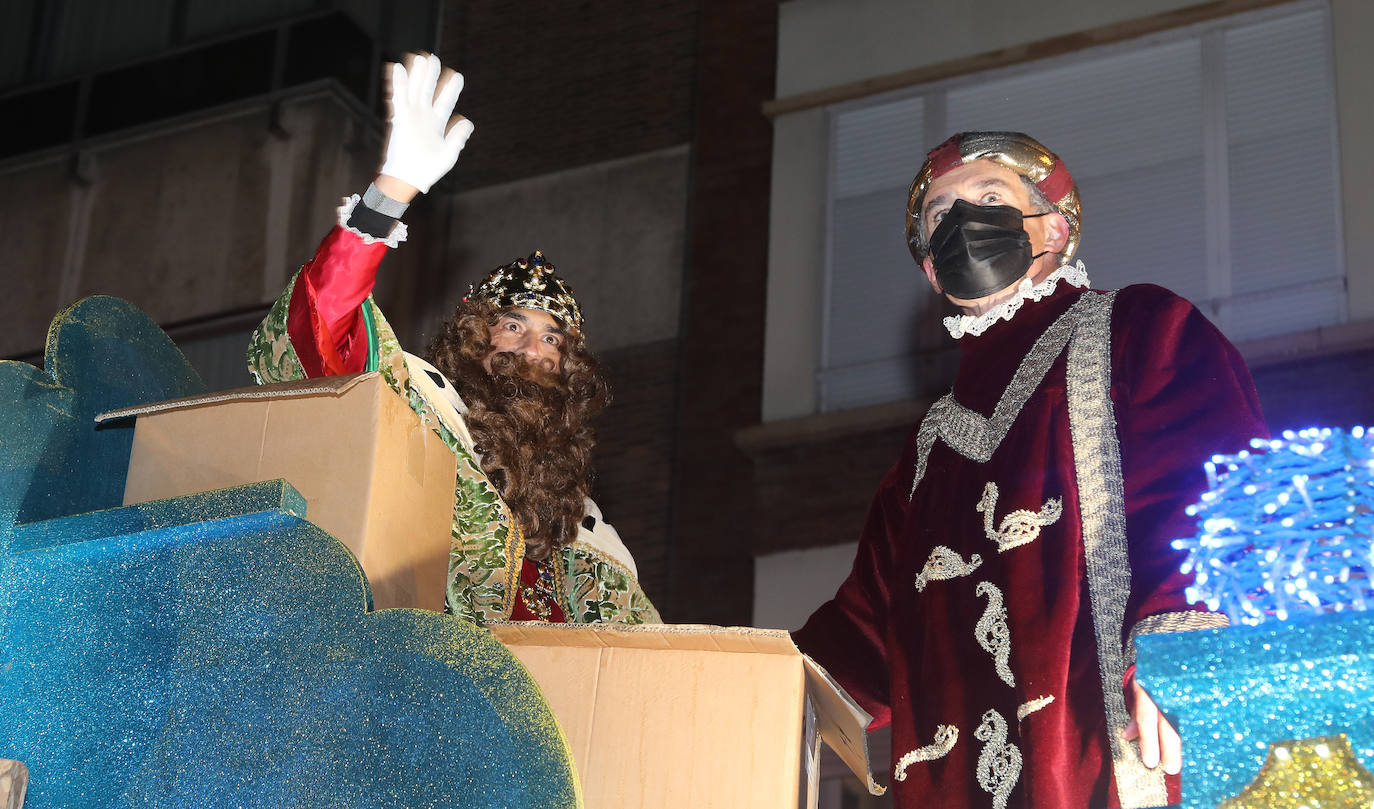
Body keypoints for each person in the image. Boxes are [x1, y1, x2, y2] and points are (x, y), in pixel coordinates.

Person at [792, 132, 1266, 808]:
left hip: (1116, 756)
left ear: (1053, 227)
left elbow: (1211, 485)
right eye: (939, 213)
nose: (961, 221)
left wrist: (1184, 647)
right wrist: (741, 683)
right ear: (931, 269)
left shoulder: (1139, 328)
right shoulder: (926, 455)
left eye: (989, 197)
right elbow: (863, 633)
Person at [247, 53, 660, 626]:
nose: (530, 350)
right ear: (476, 337)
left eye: (552, 340)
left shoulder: (590, 540)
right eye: (513, 325)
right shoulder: (418, 409)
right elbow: (322, 327)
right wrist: (390, 194)